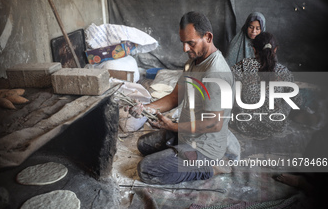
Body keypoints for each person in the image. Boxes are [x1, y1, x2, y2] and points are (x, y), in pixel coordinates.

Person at [129, 11, 236, 185]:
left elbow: (213, 124)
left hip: (204, 148)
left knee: (146, 169)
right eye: (183, 42)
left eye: (190, 43)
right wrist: (146, 108)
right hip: (187, 133)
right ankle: (179, 150)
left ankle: (210, 168)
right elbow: (174, 97)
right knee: (143, 145)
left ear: (208, 37)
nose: (185, 49)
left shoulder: (216, 73)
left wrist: (173, 126)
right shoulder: (193, 62)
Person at [230, 32, 302, 138]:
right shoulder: (283, 71)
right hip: (276, 124)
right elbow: (297, 100)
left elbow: (226, 84)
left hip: (246, 123)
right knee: (289, 96)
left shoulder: (243, 66)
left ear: (254, 50)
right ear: (275, 49)